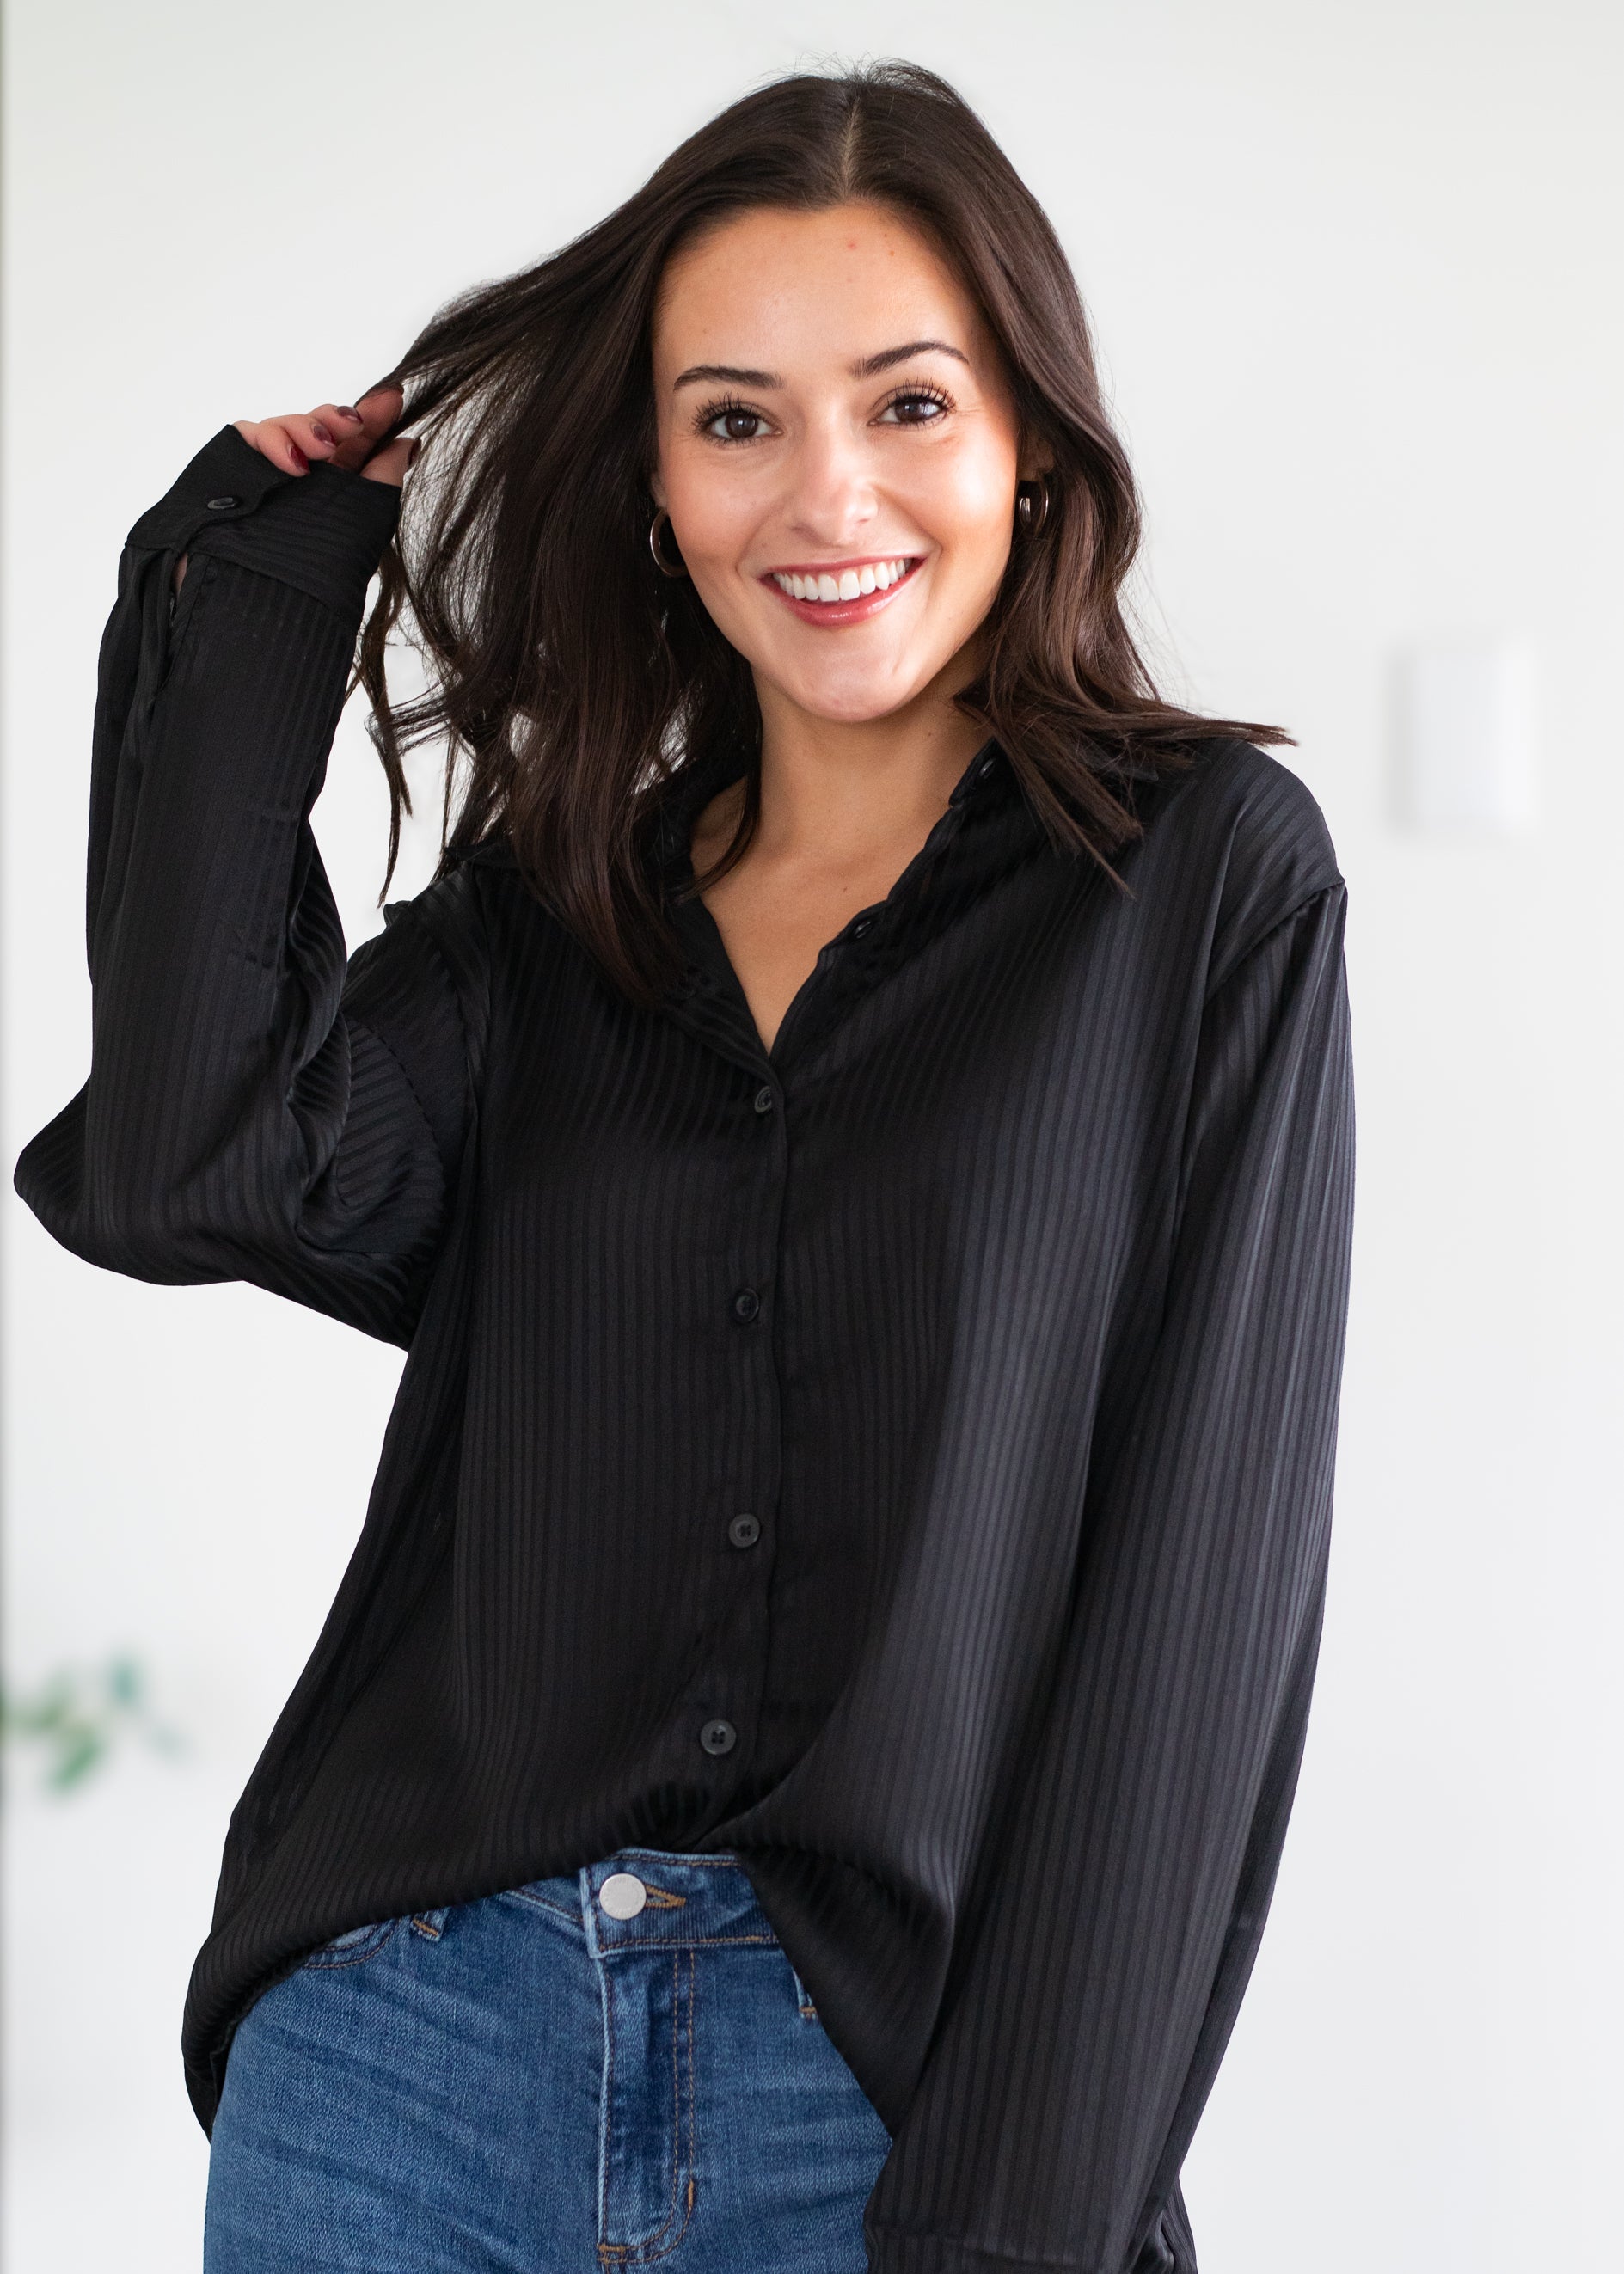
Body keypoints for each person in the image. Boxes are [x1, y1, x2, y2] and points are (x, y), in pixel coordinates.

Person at [15, 58, 1354, 2274]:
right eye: (735, 418)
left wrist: (1017, 2224)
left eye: (908, 401)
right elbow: (186, 1170)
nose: (826, 492)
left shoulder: (1200, 885)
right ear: (654, 477)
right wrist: (249, 603)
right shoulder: (552, 920)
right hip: (398, 2068)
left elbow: (1196, 1637)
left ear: (1028, 436)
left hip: (882, 2108)